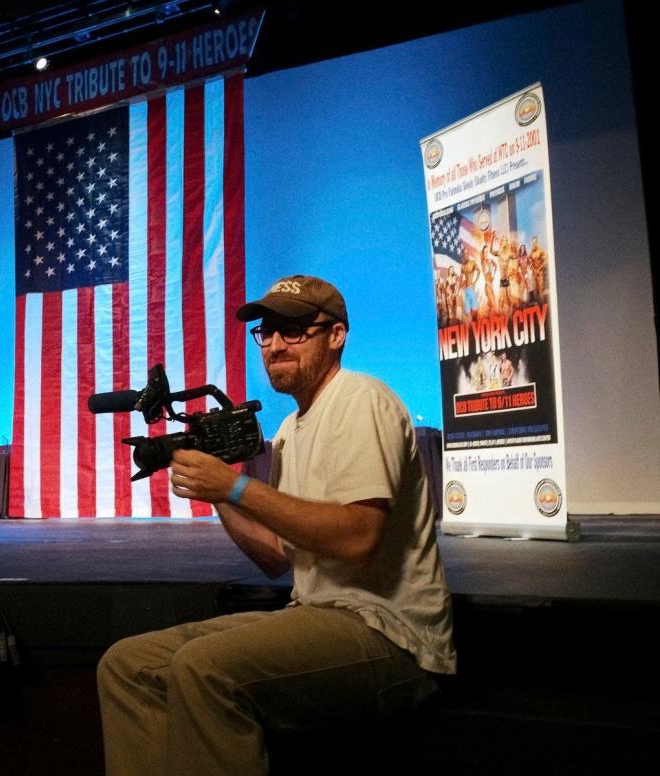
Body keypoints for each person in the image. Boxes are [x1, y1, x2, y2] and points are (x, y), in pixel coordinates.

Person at [97, 275, 456, 776]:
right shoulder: (290, 430)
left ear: (336, 335)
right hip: (314, 612)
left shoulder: (361, 400)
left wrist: (236, 488)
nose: (275, 344)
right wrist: (213, 489)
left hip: (389, 634)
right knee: (128, 665)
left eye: (293, 330)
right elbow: (275, 556)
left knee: (203, 669)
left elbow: (357, 537)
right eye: (266, 333)